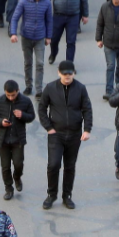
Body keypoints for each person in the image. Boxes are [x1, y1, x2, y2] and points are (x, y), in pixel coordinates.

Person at [38, 60, 93, 210]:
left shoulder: (80, 88)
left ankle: (67, 196)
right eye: (64, 73)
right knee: (53, 164)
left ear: (74, 73)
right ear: (59, 73)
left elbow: (87, 109)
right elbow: (42, 108)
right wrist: (48, 127)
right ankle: (51, 194)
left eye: (70, 73)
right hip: (56, 133)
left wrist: (87, 129)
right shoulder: (50, 88)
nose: (67, 76)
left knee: (69, 166)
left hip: (75, 134)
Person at [0, 80, 36, 200]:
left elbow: (31, 116)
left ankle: (17, 177)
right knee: (5, 166)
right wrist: (1, 122)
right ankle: (8, 188)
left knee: (18, 163)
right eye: (8, 95)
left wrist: (22, 115)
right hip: (3, 139)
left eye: (13, 95)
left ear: (18, 91)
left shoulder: (25, 101)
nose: (10, 97)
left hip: (17, 139)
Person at [9, 0, 52, 97]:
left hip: (40, 37)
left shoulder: (47, 3)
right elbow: (15, 18)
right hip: (26, 37)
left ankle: (39, 89)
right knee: (28, 63)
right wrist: (13, 33)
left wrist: (49, 36)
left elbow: (49, 20)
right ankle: (29, 86)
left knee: (40, 63)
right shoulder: (23, 2)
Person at [46, 0, 88, 65]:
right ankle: (53, 53)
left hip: (73, 16)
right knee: (54, 39)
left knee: (71, 42)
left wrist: (85, 15)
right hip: (58, 16)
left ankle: (69, 64)